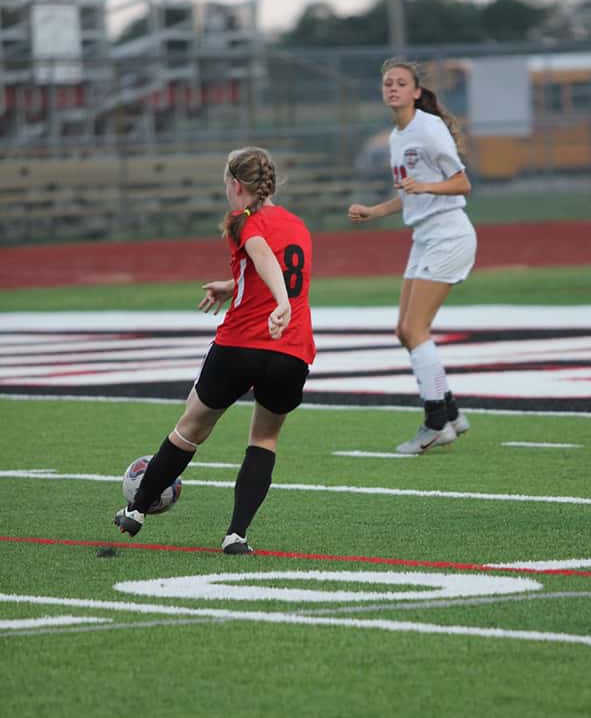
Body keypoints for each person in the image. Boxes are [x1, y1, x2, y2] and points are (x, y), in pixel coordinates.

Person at [114, 146, 315, 553]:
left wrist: (279, 302)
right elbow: (277, 269)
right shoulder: (298, 225)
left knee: (191, 427)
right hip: (292, 348)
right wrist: (235, 285)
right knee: (264, 438)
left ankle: (136, 510)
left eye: (226, 184)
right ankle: (236, 535)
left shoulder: (244, 220)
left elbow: (263, 255)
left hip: (243, 343)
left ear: (236, 185)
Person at [348, 58, 476, 454]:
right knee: (405, 331)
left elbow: (462, 183)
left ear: (417, 92)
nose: (393, 88)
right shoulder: (395, 136)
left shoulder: (429, 127)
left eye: (401, 83)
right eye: (388, 83)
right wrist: (374, 211)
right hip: (424, 237)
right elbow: (409, 193)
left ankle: (436, 423)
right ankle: (450, 412)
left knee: (416, 329)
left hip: (449, 233)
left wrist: (426, 187)